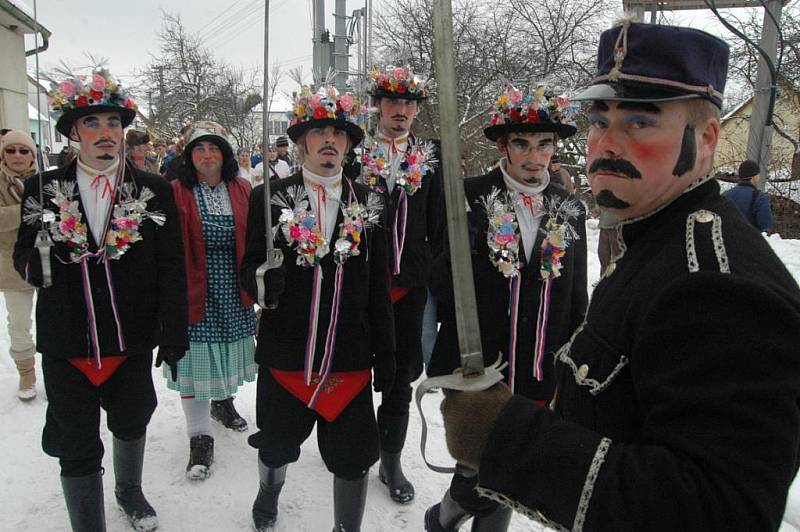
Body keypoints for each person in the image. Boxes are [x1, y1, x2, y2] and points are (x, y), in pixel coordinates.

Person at [439, 21, 800, 531]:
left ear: (707, 138)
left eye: (639, 122)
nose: (606, 144)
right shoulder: (653, 241)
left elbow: (718, 510)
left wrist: (509, 437)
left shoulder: (716, 284)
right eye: (599, 120)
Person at [14, 68, 188, 532]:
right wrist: (43, 250)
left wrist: (175, 331)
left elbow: (172, 265)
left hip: (130, 338)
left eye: (114, 124)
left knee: (132, 420)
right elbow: (24, 262)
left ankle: (129, 490)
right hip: (65, 339)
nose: (106, 134)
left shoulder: (153, 190)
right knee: (74, 441)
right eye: (92, 124)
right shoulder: (43, 190)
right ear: (73, 132)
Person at [425, 85, 588, 532]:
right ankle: (443, 516)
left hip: (539, 361)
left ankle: (445, 519)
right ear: (503, 146)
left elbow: (576, 293)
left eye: (545, 144)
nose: (534, 156)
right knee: (477, 462)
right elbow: (439, 282)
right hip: (480, 361)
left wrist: (573, 361)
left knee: (511, 469)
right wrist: (464, 247)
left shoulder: (570, 207)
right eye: (522, 144)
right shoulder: (469, 197)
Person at [241, 84, 395, 532]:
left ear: (348, 144)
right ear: (302, 140)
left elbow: (378, 289)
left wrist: (385, 357)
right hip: (286, 353)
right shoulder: (267, 197)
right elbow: (248, 265)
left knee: (353, 458)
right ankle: (268, 492)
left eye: (339, 133)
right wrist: (261, 279)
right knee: (276, 446)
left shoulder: (368, 202)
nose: (331, 140)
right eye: (319, 131)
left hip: (348, 355)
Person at [358, 65, 443, 505]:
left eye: (409, 104)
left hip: (409, 286)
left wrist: (433, 275)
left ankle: (390, 461)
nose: (401, 111)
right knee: (354, 370)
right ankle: (352, 447)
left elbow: (442, 223)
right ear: (378, 105)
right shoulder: (354, 151)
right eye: (392, 102)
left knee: (401, 377)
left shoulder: (431, 155)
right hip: (359, 286)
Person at [167, 121, 257, 480]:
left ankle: (222, 403)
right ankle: (199, 435)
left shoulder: (243, 188)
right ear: (190, 156)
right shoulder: (175, 191)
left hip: (232, 289)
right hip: (194, 289)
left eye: (214, 148)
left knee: (222, 357)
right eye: (199, 149)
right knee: (195, 363)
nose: (207, 155)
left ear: (225, 154)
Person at [0, 130, 39, 401]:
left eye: (23, 151)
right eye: (11, 150)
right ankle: (26, 370)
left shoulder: (44, 181)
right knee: (19, 321)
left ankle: (58, 369)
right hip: (11, 264)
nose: (17, 156)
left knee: (56, 320)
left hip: (47, 259)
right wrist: (27, 209)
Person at [722, 159, 774, 233]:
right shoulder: (759, 198)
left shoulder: (725, 195)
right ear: (754, 177)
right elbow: (766, 227)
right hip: (750, 241)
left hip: (725, 241)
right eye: (758, 175)